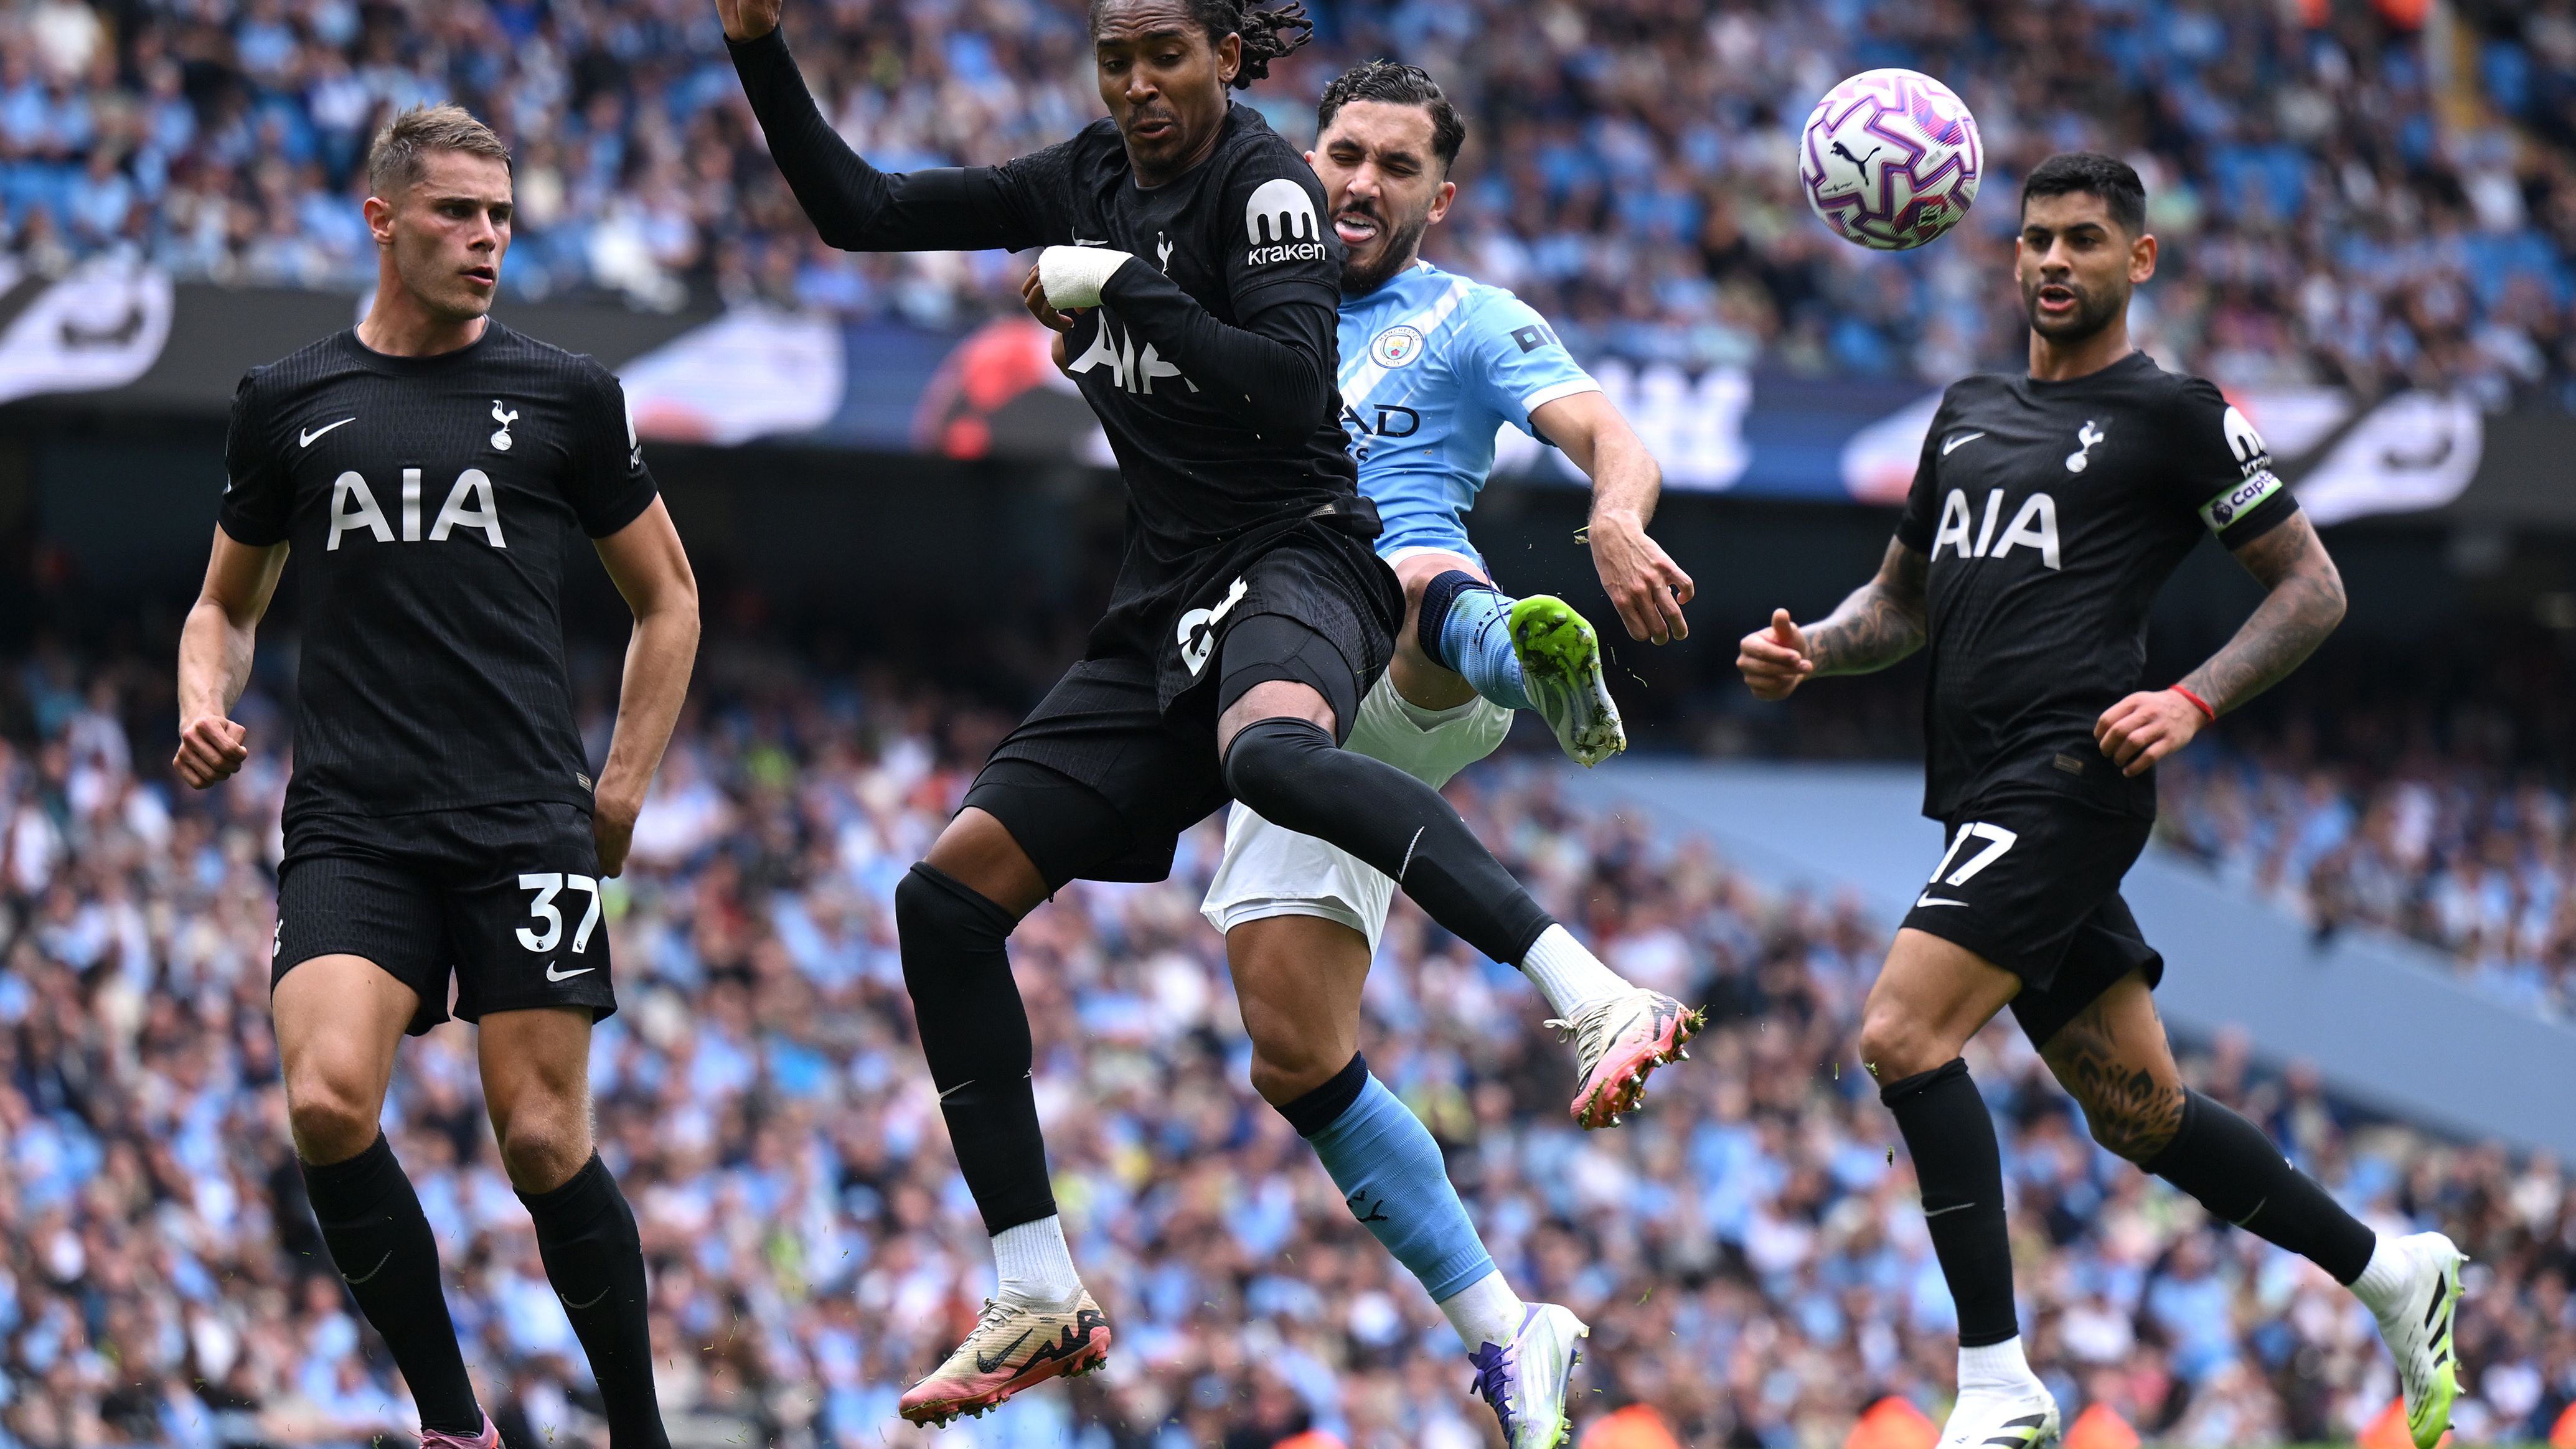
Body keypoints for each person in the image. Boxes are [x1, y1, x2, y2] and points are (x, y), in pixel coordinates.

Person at [720, 0, 1679, 1425]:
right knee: (951, 903)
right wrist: (757, 49)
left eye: (1163, 54)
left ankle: (1586, 977)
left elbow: (1289, 388)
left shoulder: (1271, 193)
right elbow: (860, 209)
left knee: (1279, 746)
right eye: (1114, 59)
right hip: (1168, 607)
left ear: (1226, 58)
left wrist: (1120, 290)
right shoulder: (1090, 177)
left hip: (1316, 564)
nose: (1137, 85)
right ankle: (1041, 1287)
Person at [1736, 151, 2460, 1449]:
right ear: (2006, 258)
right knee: (2136, 1114)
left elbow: (2310, 587)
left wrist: (2191, 699)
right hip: (1977, 792)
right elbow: (1896, 605)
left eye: (2081, 239)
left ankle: (1997, 1382)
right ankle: (2384, 1271)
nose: (2052, 260)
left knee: (1902, 1037)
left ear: (2139, 259)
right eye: (2033, 240)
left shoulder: (2172, 413)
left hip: (2068, 779)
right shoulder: (1962, 410)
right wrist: (1813, 649)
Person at [1173, 61, 1690, 1448]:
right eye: (1343, 153)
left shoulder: (1469, 321)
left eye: (1396, 169)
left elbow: (1606, 433)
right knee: (1291, 1050)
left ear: (1436, 200)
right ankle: (1505, 1328)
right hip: (1283, 700)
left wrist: (1614, 519)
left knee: (1392, 567)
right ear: (1304, 158)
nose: (1359, 184)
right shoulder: (1244, 298)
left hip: (1406, 647)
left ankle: (1525, 661)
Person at [173, 105, 699, 1449]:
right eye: (460, 212)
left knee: (539, 1143)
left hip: (527, 817)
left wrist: (623, 786)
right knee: (325, 1099)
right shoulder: (286, 402)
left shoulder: (569, 396)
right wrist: (201, 701)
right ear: (382, 221)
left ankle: (638, 1431)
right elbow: (223, 608)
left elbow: (669, 601)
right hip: (354, 821)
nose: (486, 238)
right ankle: (456, 1427)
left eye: (502, 215)